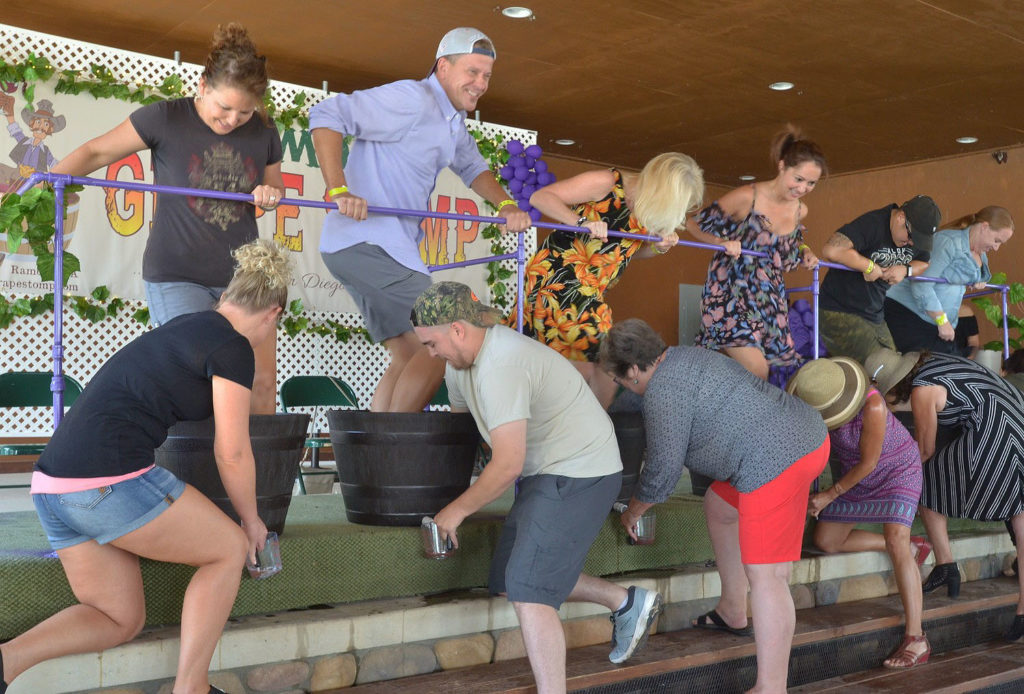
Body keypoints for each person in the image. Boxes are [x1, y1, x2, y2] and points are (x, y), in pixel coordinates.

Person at [0, 239, 290, 694]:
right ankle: (190, 688)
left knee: (119, 617)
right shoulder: (232, 346)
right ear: (272, 314)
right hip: (106, 484)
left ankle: (5, 662)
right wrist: (252, 521)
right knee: (229, 548)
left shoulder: (186, 326)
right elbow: (231, 451)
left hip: (52, 485)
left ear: (227, 297)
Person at [411, 282, 661, 694]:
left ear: (458, 329)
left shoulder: (501, 364)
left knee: (529, 589)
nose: (430, 353)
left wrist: (455, 510)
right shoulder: (459, 366)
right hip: (547, 471)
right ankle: (625, 602)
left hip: (580, 469)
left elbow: (507, 463)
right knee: (512, 578)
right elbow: (462, 429)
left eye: (432, 343)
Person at [49, 23, 284, 415]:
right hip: (178, 274)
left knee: (259, 379)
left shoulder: (264, 130)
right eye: (224, 108)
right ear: (203, 84)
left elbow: (274, 188)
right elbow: (95, 152)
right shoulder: (165, 118)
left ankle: (257, 472)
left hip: (244, 277)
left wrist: (269, 194)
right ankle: (199, 472)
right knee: (199, 377)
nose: (232, 120)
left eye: (244, 112)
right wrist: (45, 187)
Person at [599, 318, 829, 694]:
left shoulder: (662, 390)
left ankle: (771, 687)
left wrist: (634, 511)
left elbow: (662, 470)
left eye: (623, 379)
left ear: (636, 368)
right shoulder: (687, 356)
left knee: (769, 578)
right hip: (805, 437)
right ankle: (732, 610)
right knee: (720, 504)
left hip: (773, 461)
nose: (625, 387)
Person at [310, 27, 530, 413]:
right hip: (370, 244)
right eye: (473, 72)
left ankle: (373, 462)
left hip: (367, 248)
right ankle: (394, 454)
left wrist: (506, 205)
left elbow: (472, 166)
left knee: (412, 352)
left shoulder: (452, 121)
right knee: (445, 342)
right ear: (443, 67)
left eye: (487, 76)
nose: (480, 84)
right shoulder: (411, 98)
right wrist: (338, 191)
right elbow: (327, 114)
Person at [509, 153, 704, 407]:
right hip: (558, 279)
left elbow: (625, 252)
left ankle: (586, 424)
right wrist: (582, 223)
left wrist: (659, 247)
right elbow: (541, 197)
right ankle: (586, 425)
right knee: (604, 356)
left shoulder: (646, 207)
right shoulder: (606, 182)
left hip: (590, 289)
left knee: (603, 363)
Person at [865, 348, 1024, 641]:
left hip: (996, 431)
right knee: (1020, 512)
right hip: (1018, 416)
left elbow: (924, 451)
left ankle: (947, 564)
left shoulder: (922, 390)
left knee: (922, 477)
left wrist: (889, 477)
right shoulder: (937, 363)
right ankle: (1020, 608)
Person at [787, 357, 930, 668]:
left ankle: (916, 638)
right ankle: (912, 546)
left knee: (895, 539)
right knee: (827, 541)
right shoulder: (816, 400)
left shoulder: (873, 406)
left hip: (896, 469)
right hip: (857, 475)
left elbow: (869, 463)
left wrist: (828, 495)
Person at [687, 125, 823, 380]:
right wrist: (721, 240)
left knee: (776, 373)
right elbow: (693, 223)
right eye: (799, 179)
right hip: (730, 295)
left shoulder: (799, 211)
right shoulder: (746, 197)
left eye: (811, 183)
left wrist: (806, 251)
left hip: (769, 299)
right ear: (782, 166)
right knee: (756, 370)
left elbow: (793, 243)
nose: (803, 188)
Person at [817, 195, 940, 364]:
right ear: (900, 217)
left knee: (895, 370)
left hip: (874, 313)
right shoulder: (873, 223)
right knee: (883, 370)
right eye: (911, 237)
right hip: (839, 309)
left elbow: (925, 263)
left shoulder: (913, 240)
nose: (911, 243)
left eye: (917, 241)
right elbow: (831, 250)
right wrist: (867, 266)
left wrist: (906, 269)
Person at [884, 206, 1013, 354]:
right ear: (984, 227)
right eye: (997, 240)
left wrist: (978, 280)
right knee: (923, 369)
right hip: (909, 314)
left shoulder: (981, 253)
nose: (996, 248)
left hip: (938, 323)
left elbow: (977, 274)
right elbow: (921, 284)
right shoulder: (948, 242)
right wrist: (942, 321)